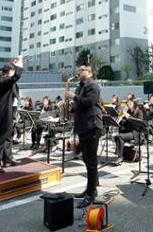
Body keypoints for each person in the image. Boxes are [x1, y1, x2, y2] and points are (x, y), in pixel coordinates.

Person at [65, 63, 103, 208]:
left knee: (91, 161)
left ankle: (91, 194)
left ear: (89, 72)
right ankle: (90, 188)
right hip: (83, 127)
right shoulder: (80, 86)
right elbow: (80, 104)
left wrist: (74, 97)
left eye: (81, 70)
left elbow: (90, 102)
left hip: (92, 126)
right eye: (78, 70)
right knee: (87, 159)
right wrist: (71, 107)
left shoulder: (93, 85)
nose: (78, 72)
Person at [0, 56, 23, 173]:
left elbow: (12, 77)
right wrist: (19, 64)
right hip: (1, 116)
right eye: (12, 70)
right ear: (9, 72)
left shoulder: (2, 79)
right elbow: (16, 77)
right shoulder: (2, 81)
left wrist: (13, 64)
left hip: (7, 113)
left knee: (8, 136)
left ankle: (8, 159)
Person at [113, 99, 145, 165]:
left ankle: (120, 157)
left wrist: (129, 117)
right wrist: (121, 119)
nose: (129, 104)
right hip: (128, 132)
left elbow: (138, 124)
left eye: (131, 103)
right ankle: (121, 154)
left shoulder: (139, 112)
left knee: (120, 136)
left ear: (134, 104)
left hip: (135, 133)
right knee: (116, 136)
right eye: (128, 103)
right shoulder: (128, 111)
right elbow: (124, 124)